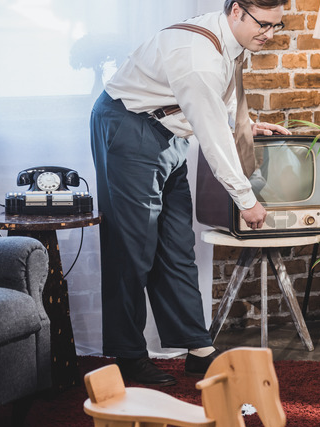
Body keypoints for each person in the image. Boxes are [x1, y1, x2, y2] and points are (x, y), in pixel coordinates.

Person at [89, 0, 290, 386]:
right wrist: (246, 201)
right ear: (236, 11)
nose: (268, 34)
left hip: (168, 133)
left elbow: (217, 102)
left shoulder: (229, 41)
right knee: (133, 249)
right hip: (128, 129)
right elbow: (211, 134)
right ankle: (128, 356)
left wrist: (244, 126)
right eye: (263, 24)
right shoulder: (199, 57)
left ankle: (197, 349)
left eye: (275, 26)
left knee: (177, 244)